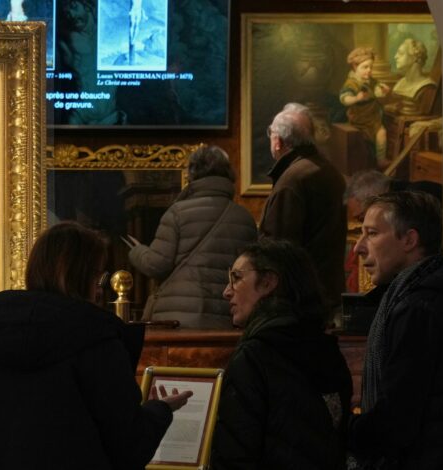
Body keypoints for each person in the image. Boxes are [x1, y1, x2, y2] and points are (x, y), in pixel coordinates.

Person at [0, 221, 193, 470]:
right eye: (98, 277)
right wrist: (161, 410)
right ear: (83, 276)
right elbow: (129, 445)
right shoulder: (96, 340)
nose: (99, 290)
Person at [210, 238, 352, 469]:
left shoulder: (254, 357)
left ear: (268, 282)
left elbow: (234, 453)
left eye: (236, 278)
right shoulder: (327, 349)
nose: (227, 292)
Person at [347, 191, 443, 469]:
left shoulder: (419, 308)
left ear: (409, 240)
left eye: (372, 233)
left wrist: (342, 427)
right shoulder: (425, 295)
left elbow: (396, 422)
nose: (358, 248)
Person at [125, 145, 257, 328]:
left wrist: (137, 251)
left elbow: (156, 264)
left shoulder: (177, 213)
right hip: (226, 314)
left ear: (192, 173)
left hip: (178, 316)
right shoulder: (245, 218)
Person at [259, 102, 347, 323]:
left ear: (277, 141)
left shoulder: (292, 180)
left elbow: (277, 249)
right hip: (326, 292)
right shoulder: (327, 171)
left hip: (298, 302)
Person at [339, 47, 392, 169]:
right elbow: (344, 98)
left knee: (385, 128)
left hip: (373, 117)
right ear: (355, 67)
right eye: (365, 67)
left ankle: (379, 160)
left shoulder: (370, 80)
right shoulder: (352, 83)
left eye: (371, 67)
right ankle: (381, 160)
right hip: (360, 118)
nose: (369, 70)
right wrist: (356, 98)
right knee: (381, 132)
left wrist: (383, 90)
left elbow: (377, 89)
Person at [386, 38, 437, 116]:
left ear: (415, 57)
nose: (395, 57)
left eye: (401, 53)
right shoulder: (400, 83)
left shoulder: (427, 86)